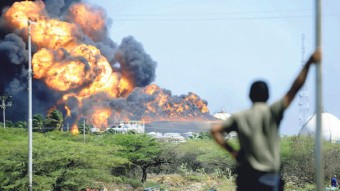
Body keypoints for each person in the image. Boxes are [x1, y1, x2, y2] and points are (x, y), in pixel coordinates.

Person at [211, 49, 321, 191]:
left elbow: (215, 130)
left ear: (250, 95)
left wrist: (233, 152)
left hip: (247, 178)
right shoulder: (272, 112)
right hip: (269, 178)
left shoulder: (240, 116)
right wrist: (309, 63)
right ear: (268, 96)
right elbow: (294, 89)